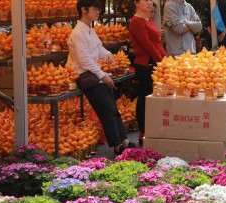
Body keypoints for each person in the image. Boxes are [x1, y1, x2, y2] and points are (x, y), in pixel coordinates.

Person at [69, 0, 134, 155]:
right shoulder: (78, 33)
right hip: (86, 77)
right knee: (108, 110)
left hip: (95, 74)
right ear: (84, 10)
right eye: (95, 9)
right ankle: (118, 146)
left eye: (99, 9)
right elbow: (84, 60)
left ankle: (124, 141)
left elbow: (98, 47)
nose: (98, 12)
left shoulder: (90, 30)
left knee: (113, 108)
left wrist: (107, 54)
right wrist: (102, 75)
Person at [129, 0, 166, 147]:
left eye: (151, 0)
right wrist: (162, 61)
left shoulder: (148, 20)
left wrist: (165, 59)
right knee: (145, 98)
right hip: (145, 65)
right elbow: (147, 45)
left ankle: (151, 130)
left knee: (152, 98)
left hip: (154, 64)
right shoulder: (136, 21)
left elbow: (156, 43)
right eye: (146, 0)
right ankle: (143, 132)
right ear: (136, 3)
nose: (149, 3)